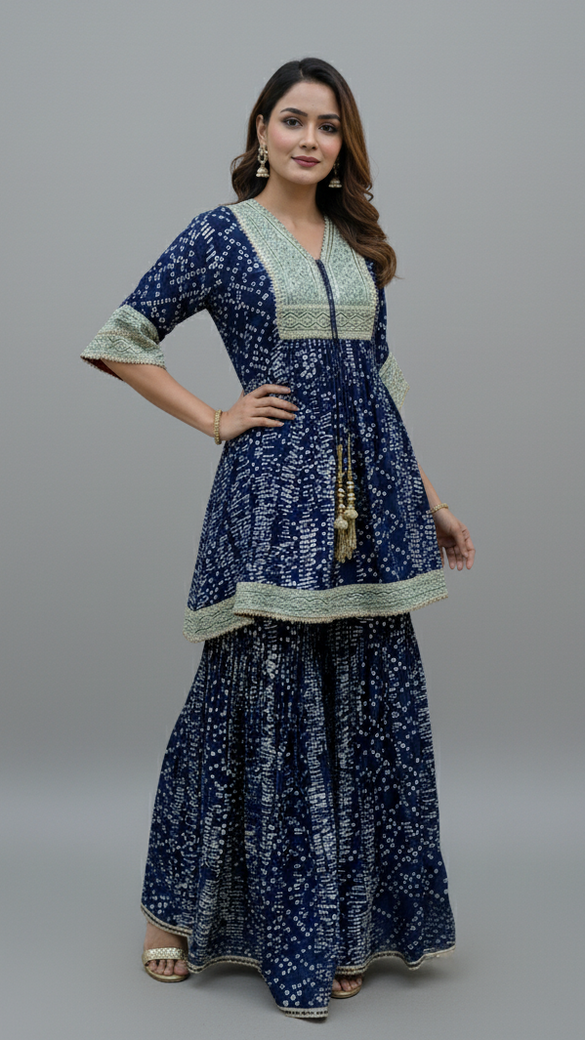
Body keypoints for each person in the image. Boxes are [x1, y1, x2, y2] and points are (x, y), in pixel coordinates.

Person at [81, 57, 474, 1019]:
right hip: (271, 500)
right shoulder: (219, 236)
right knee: (251, 696)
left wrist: (431, 499)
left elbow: (378, 383)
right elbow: (122, 339)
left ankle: (338, 924)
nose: (309, 139)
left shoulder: (357, 245)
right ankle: (173, 912)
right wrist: (217, 419)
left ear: (344, 144)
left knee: (361, 697)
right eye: (293, 120)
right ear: (260, 129)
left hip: (371, 506)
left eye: (328, 126)